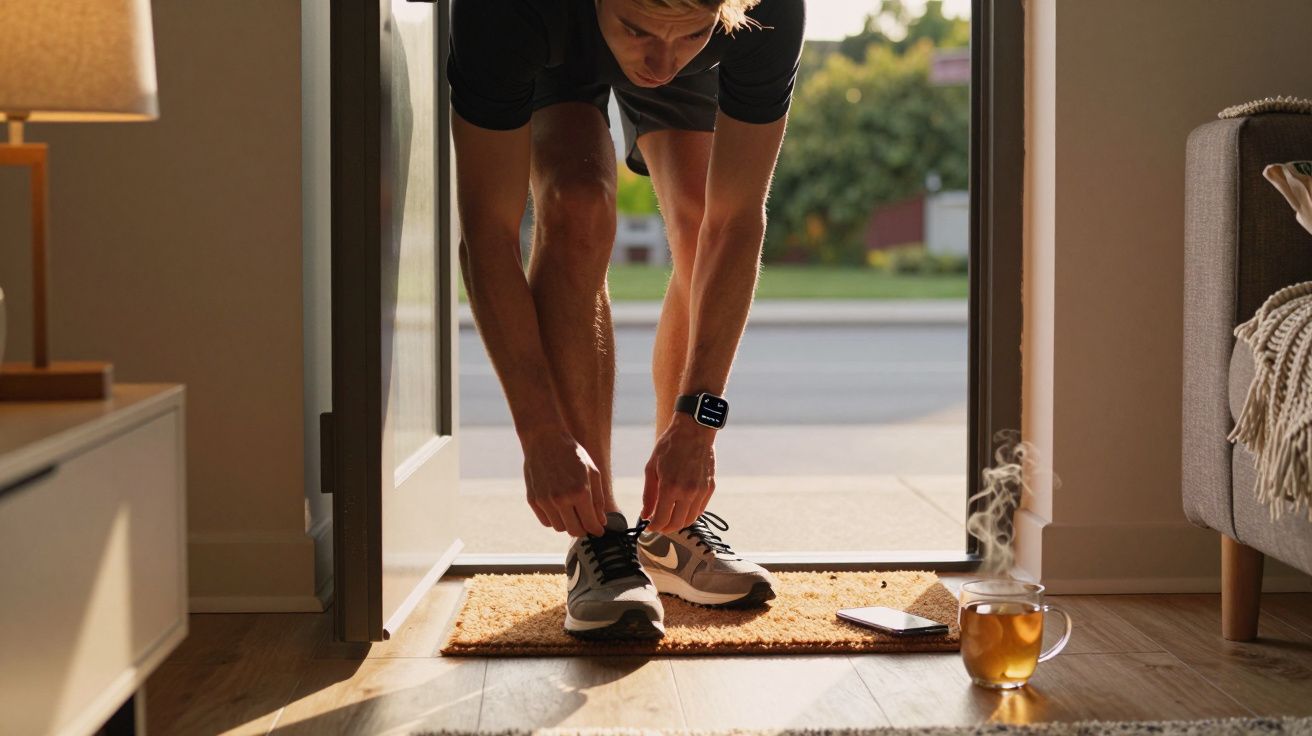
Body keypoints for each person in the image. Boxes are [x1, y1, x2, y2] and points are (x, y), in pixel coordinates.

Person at [447, 0, 805, 640]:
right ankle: (600, 539)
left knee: (699, 218)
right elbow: (487, 233)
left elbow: (736, 221)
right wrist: (540, 434)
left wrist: (699, 425)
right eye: (638, 29)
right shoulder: (507, 14)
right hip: (555, 44)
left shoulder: (763, 11)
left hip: (667, 28)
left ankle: (670, 530)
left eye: (690, 33)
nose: (661, 62)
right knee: (578, 203)